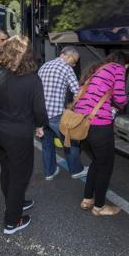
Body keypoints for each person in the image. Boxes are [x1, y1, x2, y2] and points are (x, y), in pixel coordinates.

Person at [0, 35, 48, 234]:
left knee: (7, 170)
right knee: (19, 176)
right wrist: (40, 125)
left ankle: (14, 203)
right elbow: (40, 110)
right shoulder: (32, 79)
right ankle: (12, 221)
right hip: (20, 134)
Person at [74, 52, 129, 216]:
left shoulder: (96, 69)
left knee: (97, 161)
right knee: (105, 165)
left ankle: (87, 199)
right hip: (99, 125)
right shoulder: (117, 69)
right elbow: (120, 98)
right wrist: (121, 102)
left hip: (82, 123)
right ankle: (99, 207)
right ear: (124, 63)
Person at [38, 46, 87, 180]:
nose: (75, 64)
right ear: (69, 56)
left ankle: (49, 172)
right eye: (75, 60)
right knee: (70, 141)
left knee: (47, 144)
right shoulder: (66, 68)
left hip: (41, 114)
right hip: (55, 114)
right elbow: (77, 92)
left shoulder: (45, 66)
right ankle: (76, 170)